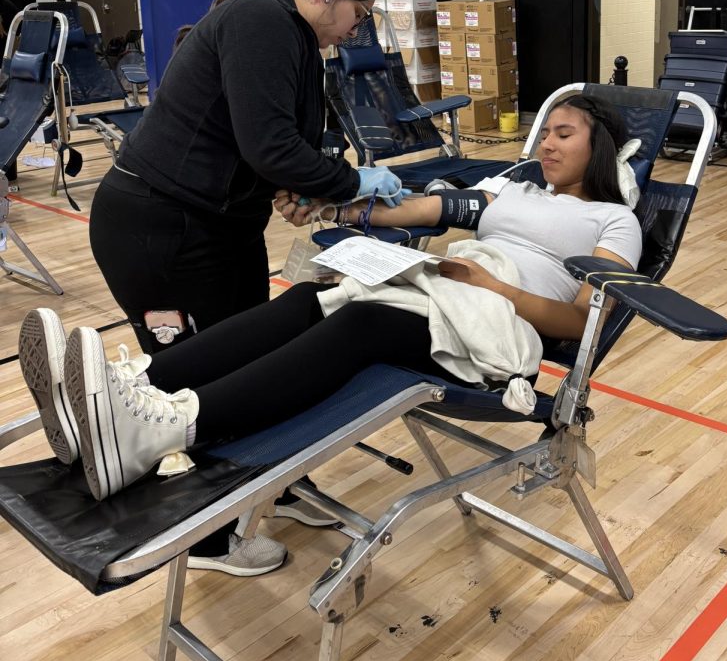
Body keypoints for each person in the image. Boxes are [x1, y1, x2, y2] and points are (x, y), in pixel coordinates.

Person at [20, 95, 642, 510]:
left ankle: (166, 428)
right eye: (545, 133)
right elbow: (421, 208)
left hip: (494, 327)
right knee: (311, 299)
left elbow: (583, 318)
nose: (547, 145)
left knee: (363, 320)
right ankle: (125, 390)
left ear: (602, 146)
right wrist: (333, 205)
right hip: (442, 289)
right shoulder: (506, 188)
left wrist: (495, 289)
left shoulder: (615, 221)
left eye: (564, 134)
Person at [85, 0, 407, 572]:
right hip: (161, 227)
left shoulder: (290, 36)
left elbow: (266, 143)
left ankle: (269, 483)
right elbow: (271, 147)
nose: (357, 28)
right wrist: (348, 183)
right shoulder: (261, 20)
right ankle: (202, 539)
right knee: (195, 378)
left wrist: (301, 189)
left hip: (218, 227)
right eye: (359, 13)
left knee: (255, 359)